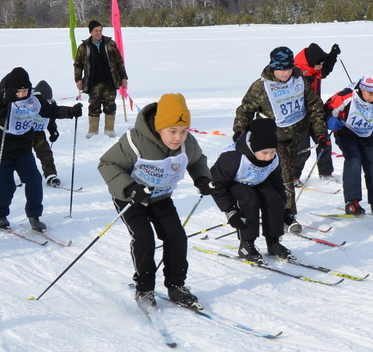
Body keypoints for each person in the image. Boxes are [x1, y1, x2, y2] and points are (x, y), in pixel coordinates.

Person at [98, 93, 212, 311]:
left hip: (160, 197)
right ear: (159, 127)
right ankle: (145, 288)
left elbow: (197, 161)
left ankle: (176, 285)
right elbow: (107, 164)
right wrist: (130, 187)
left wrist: (203, 179)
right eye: (172, 131)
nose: (178, 137)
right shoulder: (134, 142)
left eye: (184, 131)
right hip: (130, 199)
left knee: (176, 235)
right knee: (144, 237)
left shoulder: (188, 144)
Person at [232, 45, 331, 233]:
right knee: (285, 176)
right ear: (273, 67)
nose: (286, 73)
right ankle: (288, 217)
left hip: (296, 136)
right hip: (272, 140)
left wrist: (320, 133)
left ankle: (269, 204)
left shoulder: (299, 80)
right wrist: (239, 131)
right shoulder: (261, 86)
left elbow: (315, 107)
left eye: (289, 68)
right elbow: (245, 110)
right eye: (281, 69)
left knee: (284, 174)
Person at [0, 67, 81, 232]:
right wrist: (3, 100)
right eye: (19, 91)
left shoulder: (34, 99)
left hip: (22, 146)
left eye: (25, 90)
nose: (22, 94)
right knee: (6, 185)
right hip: (1, 146)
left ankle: (34, 216)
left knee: (34, 180)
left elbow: (51, 110)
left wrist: (70, 112)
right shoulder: (2, 95)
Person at [209, 117, 292, 263]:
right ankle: (246, 244)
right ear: (253, 148)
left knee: (273, 199)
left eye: (273, 151)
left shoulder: (274, 159)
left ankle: (273, 242)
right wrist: (229, 210)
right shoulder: (233, 158)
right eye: (265, 153)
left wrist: (283, 207)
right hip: (234, 183)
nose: (269, 157)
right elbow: (217, 184)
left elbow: (277, 182)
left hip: (257, 180)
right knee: (249, 199)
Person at [326, 72, 373, 216]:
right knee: (354, 161)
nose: (372, 98)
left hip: (367, 136)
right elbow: (328, 108)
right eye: (370, 93)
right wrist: (330, 120)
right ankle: (352, 202)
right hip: (346, 134)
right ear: (362, 88)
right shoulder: (348, 95)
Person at [293, 41, 340, 178]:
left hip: (316, 114)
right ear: (312, 61)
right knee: (303, 150)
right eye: (319, 63)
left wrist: (332, 56)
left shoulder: (314, 70)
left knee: (324, 142)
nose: (321, 66)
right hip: (300, 118)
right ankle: (293, 177)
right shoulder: (297, 74)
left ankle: (326, 174)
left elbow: (325, 70)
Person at [73, 19, 127, 137]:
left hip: (110, 81)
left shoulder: (110, 44)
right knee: (93, 105)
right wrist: (78, 79)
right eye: (96, 30)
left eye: (100, 30)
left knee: (110, 105)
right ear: (91, 32)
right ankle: (93, 130)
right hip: (93, 82)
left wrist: (123, 77)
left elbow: (119, 62)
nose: (98, 33)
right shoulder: (84, 47)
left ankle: (109, 129)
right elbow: (78, 64)